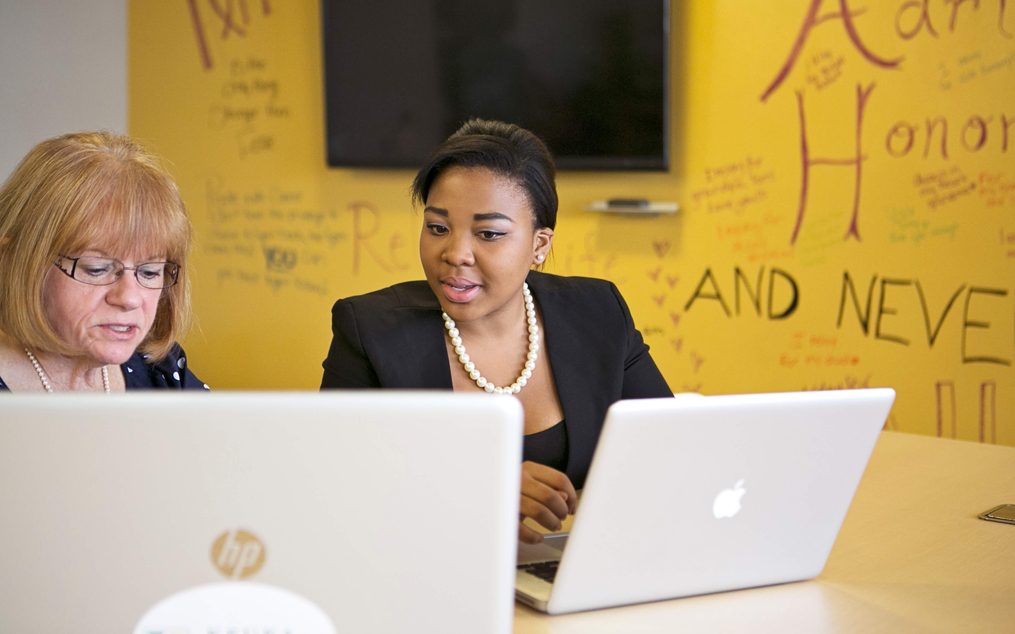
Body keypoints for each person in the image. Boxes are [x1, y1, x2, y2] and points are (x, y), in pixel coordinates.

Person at [321, 119, 671, 543]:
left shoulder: (599, 313)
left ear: (539, 245)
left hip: (575, 572)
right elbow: (335, 493)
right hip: (428, 576)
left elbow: (668, 452)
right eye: (437, 227)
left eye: (488, 234)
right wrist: (482, 487)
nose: (455, 254)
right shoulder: (369, 332)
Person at [0, 131, 207, 392]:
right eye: (97, 269)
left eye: (150, 272)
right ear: (11, 261)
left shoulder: (161, 371)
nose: (130, 299)